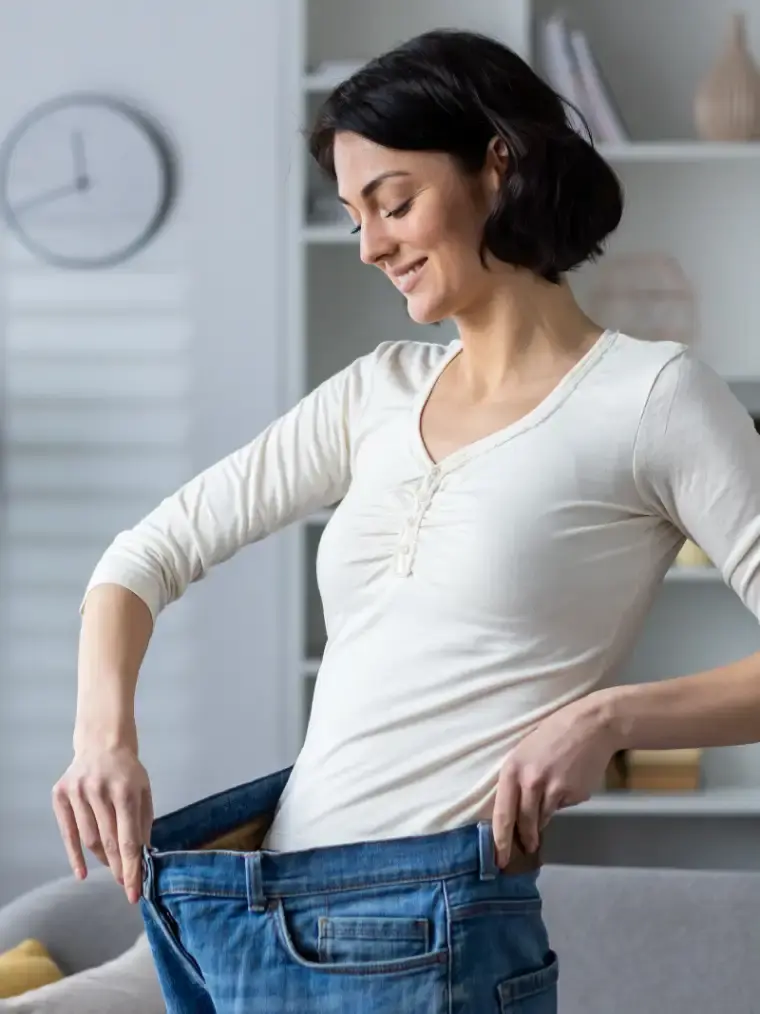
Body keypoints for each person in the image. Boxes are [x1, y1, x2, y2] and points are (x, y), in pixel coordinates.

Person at [51, 27, 760, 1014]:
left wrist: (609, 717)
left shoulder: (651, 397)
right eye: (352, 216)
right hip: (250, 914)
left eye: (392, 202)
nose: (371, 244)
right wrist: (102, 742)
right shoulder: (373, 393)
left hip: (434, 926)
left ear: (497, 165)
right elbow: (144, 554)